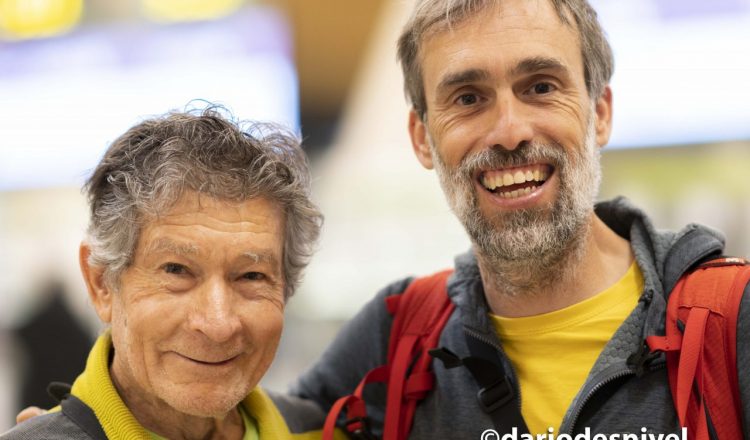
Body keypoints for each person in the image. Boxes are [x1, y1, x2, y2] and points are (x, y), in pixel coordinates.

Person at [289, 0, 750, 438]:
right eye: (468, 98)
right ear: (423, 139)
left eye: (541, 87)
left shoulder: (734, 323)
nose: (510, 132)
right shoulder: (394, 338)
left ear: (600, 112)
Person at [1, 108, 344, 440]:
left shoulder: (323, 433)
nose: (218, 324)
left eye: (251, 276)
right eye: (177, 270)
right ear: (102, 283)